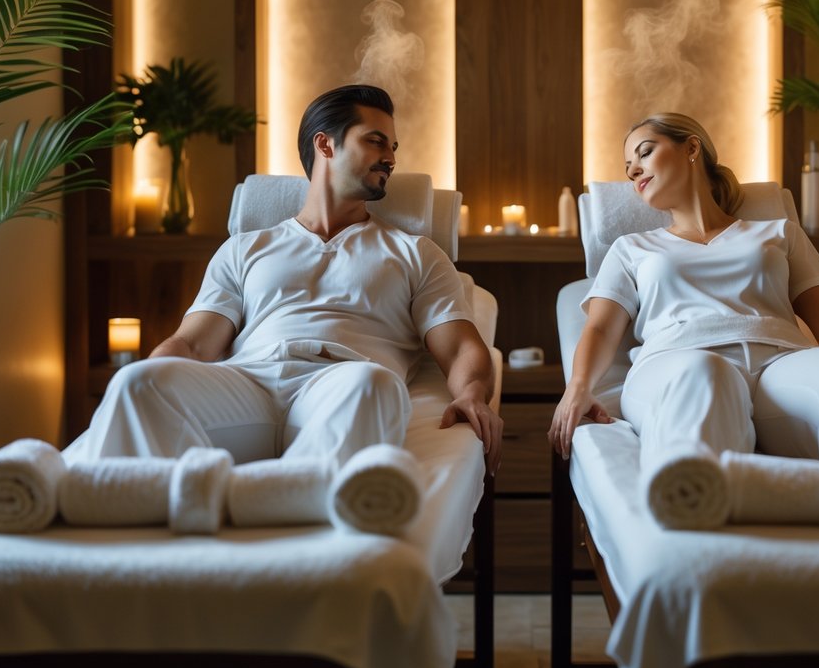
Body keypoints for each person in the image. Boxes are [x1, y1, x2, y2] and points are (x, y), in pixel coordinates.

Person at [68, 84, 502, 478]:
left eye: (393, 146)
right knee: (135, 381)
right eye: (375, 141)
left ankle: (257, 493)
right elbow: (191, 345)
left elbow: (462, 346)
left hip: (340, 387)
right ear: (325, 144)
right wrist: (153, 378)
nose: (391, 156)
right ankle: (206, 492)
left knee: (375, 384)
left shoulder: (416, 253)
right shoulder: (245, 248)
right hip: (247, 386)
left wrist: (472, 393)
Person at [548, 112, 819, 484]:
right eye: (627, 167)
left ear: (691, 147)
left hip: (781, 368)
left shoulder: (779, 233)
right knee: (707, 373)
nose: (634, 169)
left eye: (645, 152)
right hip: (678, 363)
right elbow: (600, 326)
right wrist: (577, 389)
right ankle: (696, 503)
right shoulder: (632, 248)